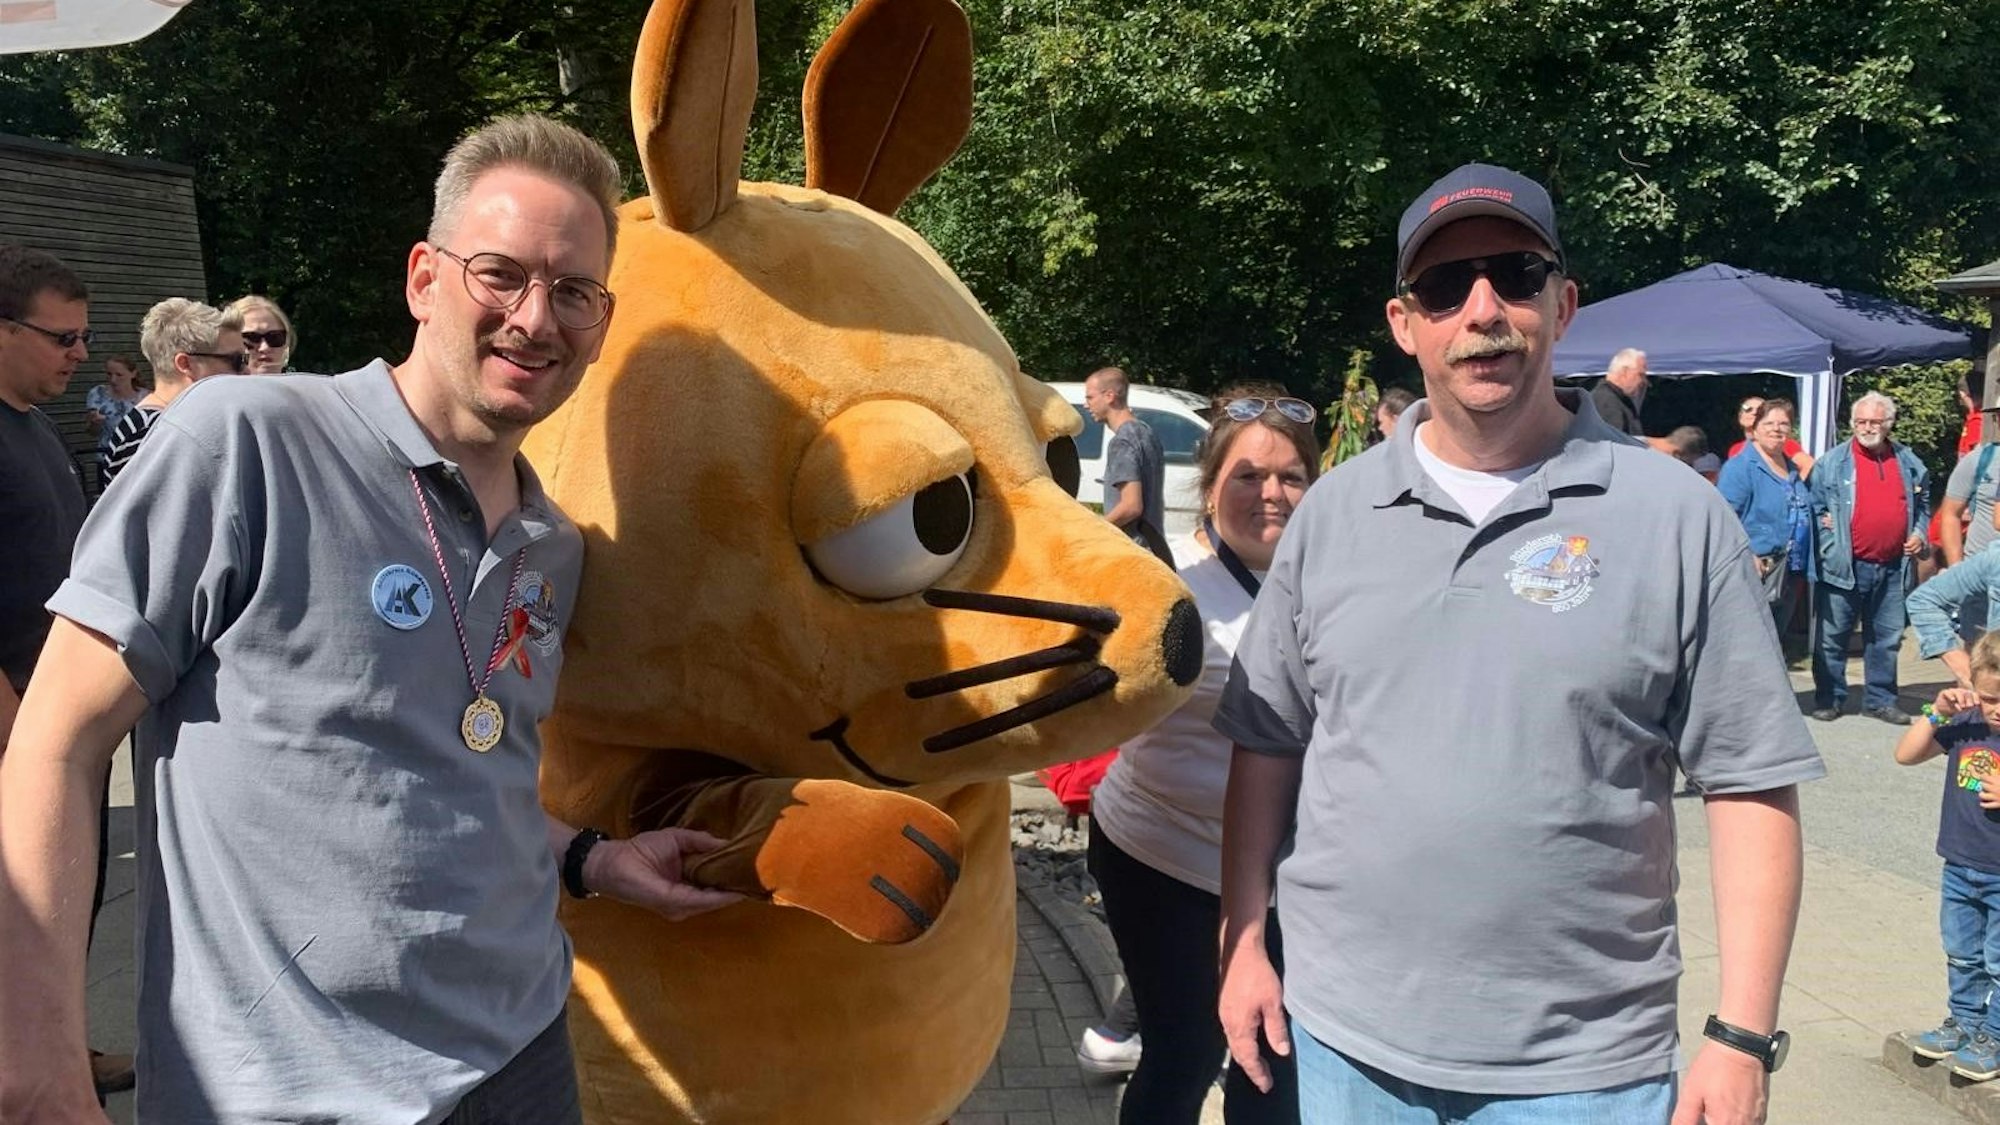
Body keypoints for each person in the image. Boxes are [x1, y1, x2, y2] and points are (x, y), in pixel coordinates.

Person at [0, 114, 743, 1124]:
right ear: (424, 279)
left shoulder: (550, 546)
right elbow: (53, 746)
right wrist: (43, 1072)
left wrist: (592, 858)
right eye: (500, 274)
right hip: (283, 1092)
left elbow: (466, 770)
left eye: (574, 292)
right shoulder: (248, 445)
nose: (536, 319)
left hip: (520, 1059)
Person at [1213, 162, 1823, 1125]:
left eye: (1515, 272)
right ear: (1405, 323)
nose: (1482, 308)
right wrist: (1241, 942)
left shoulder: (1678, 518)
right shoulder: (1332, 513)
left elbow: (1749, 781)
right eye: (1446, 287)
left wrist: (1740, 1036)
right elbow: (1268, 742)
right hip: (1342, 1044)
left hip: (1583, 1071)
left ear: (1564, 302)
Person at [1084, 381, 1313, 1124]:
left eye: (1290, 476)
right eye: (1247, 475)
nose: (1270, 493)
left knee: (1272, 1063)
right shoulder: (1164, 585)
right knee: (1186, 1051)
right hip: (1164, 860)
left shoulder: (1334, 582)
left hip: (1285, 877)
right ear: (1211, 488)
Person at [0, 242, 135, 1099]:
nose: (81, 354)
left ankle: (57, 1047)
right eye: (63, 338)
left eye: (84, 338)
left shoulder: (35, 427)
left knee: (61, 903)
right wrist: (20, 736)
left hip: (50, 721)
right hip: (14, 727)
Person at [1896, 633, 2000, 1082]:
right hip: (1959, 864)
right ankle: (1966, 1024)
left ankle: (1995, 1036)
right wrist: (1936, 712)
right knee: (1961, 953)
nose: (1996, 709)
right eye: (1990, 697)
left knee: (1999, 961)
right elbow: (1906, 754)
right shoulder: (1969, 722)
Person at [1807, 391, 1927, 725]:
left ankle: (1879, 700)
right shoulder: (1832, 462)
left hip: (1892, 566)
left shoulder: (1908, 461)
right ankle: (1829, 698)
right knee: (1832, 638)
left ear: (1888, 424)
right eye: (1861, 421)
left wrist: (1918, 533)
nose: (1867, 427)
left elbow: (1924, 503)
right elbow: (1814, 508)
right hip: (1845, 565)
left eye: (1874, 421)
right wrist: (1831, 543)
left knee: (1886, 639)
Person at [101, 298, 245, 487]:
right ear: (185, 364)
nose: (247, 370)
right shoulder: (153, 435)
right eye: (236, 360)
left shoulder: (161, 424)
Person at [1719, 397, 1815, 636]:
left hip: (1790, 571)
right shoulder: (1741, 467)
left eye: (1783, 424)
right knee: (1751, 642)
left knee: (1775, 642)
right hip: (1756, 571)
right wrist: (1746, 553)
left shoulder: (1792, 468)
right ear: (1756, 428)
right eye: (1769, 423)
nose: (1776, 429)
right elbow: (1723, 517)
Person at [1084, 365, 1166, 547]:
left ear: (1109, 396)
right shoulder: (1147, 432)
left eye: (1090, 397)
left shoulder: (1121, 442)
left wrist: (1094, 530)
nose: (1086, 404)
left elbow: (1131, 506)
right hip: (1156, 548)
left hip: (1134, 550)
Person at [83, 353, 143, 479]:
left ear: (133, 374)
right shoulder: (97, 394)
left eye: (119, 375)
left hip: (137, 460)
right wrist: (95, 423)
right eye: (109, 374)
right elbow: (92, 432)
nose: (113, 380)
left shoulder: (146, 397)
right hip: (106, 459)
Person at [1727, 394, 1814, 477]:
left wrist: (1796, 488)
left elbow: (1809, 464)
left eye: (1759, 410)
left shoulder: (1781, 443)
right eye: (1748, 409)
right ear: (1740, 416)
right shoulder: (1735, 449)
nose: (1753, 412)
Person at [228, 293, 296, 374]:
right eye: (251, 338)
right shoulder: (213, 385)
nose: (265, 348)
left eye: (275, 338)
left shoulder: (308, 385)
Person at [1589, 346, 1646, 436]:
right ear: (1624, 372)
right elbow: (1615, 445)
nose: (1643, 381)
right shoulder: (1607, 401)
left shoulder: (1615, 399)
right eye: (1640, 375)